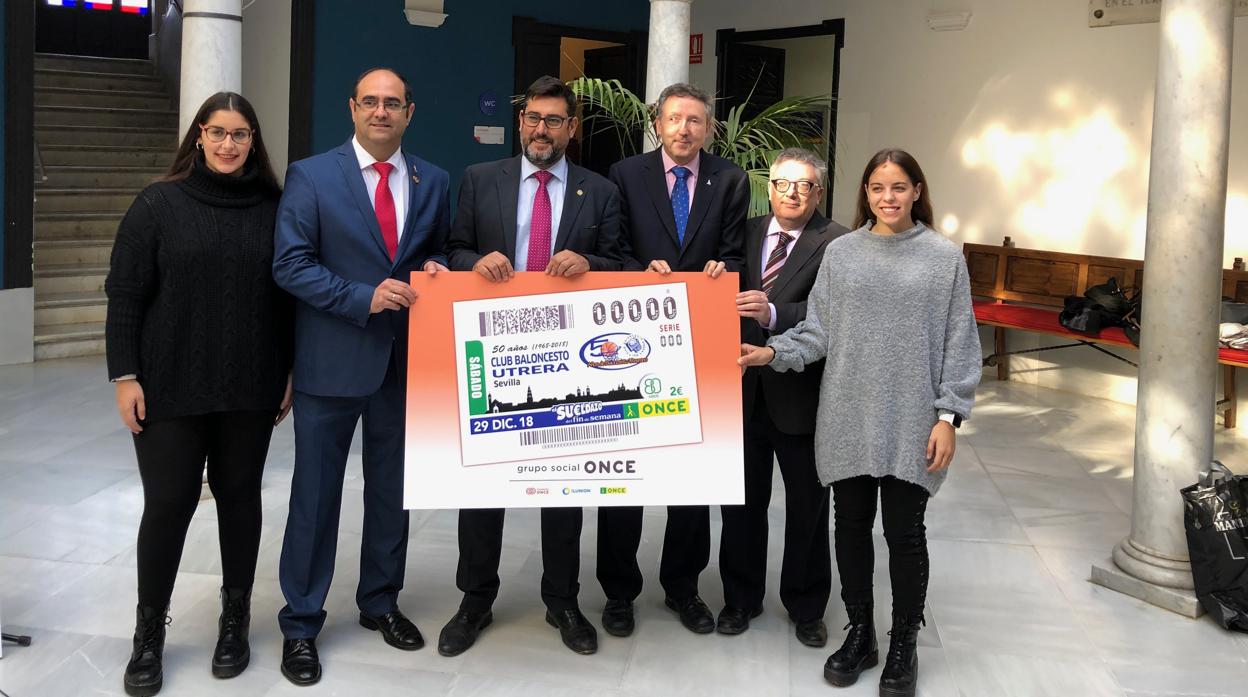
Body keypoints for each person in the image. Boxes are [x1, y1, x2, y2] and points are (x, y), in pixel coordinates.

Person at [739, 148, 981, 697]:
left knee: (903, 534)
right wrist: (772, 354)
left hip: (911, 418)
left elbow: (961, 346)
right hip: (846, 413)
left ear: (917, 191)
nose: (887, 198)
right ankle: (861, 632)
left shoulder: (944, 259)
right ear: (865, 194)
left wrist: (949, 416)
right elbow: (818, 332)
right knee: (848, 528)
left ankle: (903, 645)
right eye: (877, 188)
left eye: (898, 187)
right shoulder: (843, 253)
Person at [105, 91, 291, 697]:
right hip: (169, 386)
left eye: (241, 135)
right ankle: (148, 636)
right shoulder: (157, 203)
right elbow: (126, 295)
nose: (229, 145)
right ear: (199, 136)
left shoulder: (275, 206)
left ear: (254, 142)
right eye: (218, 133)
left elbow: (288, 299)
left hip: (250, 385)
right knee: (168, 506)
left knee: (239, 500)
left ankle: (233, 622)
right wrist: (124, 374)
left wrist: (289, 370)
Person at [272, 67, 451, 686]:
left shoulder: (434, 180)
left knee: (391, 495)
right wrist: (362, 298)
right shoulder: (312, 176)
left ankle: (380, 601)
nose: (381, 112)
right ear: (352, 108)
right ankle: (300, 623)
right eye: (370, 102)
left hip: (404, 367)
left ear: (409, 112)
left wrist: (439, 269)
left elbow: (442, 254)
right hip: (330, 364)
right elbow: (290, 264)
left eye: (393, 103)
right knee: (315, 499)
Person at [441, 75, 623, 657]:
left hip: (569, 360)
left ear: (572, 128)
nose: (541, 130)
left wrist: (588, 260)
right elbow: (452, 252)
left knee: (564, 483)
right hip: (496, 354)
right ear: (521, 123)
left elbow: (620, 262)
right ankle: (474, 599)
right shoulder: (478, 179)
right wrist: (478, 261)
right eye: (533, 119)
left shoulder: (599, 191)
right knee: (484, 480)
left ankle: (562, 600)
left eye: (554, 120)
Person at [598, 82, 748, 637]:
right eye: (674, 119)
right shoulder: (625, 174)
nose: (683, 129)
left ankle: (682, 586)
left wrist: (719, 270)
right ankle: (618, 591)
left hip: (700, 340)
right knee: (627, 472)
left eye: (695, 121)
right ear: (657, 124)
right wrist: (641, 269)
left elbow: (735, 253)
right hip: (633, 340)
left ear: (708, 129)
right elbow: (611, 250)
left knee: (690, 471)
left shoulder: (729, 179)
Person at [719, 148, 848, 646]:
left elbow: (832, 314)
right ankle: (740, 599)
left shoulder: (837, 243)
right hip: (741, 392)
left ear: (819, 192)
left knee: (808, 509)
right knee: (743, 506)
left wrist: (774, 313)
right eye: (782, 183)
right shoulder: (744, 232)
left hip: (804, 396)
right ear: (768, 188)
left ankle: (806, 605)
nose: (791, 193)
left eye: (804, 185)